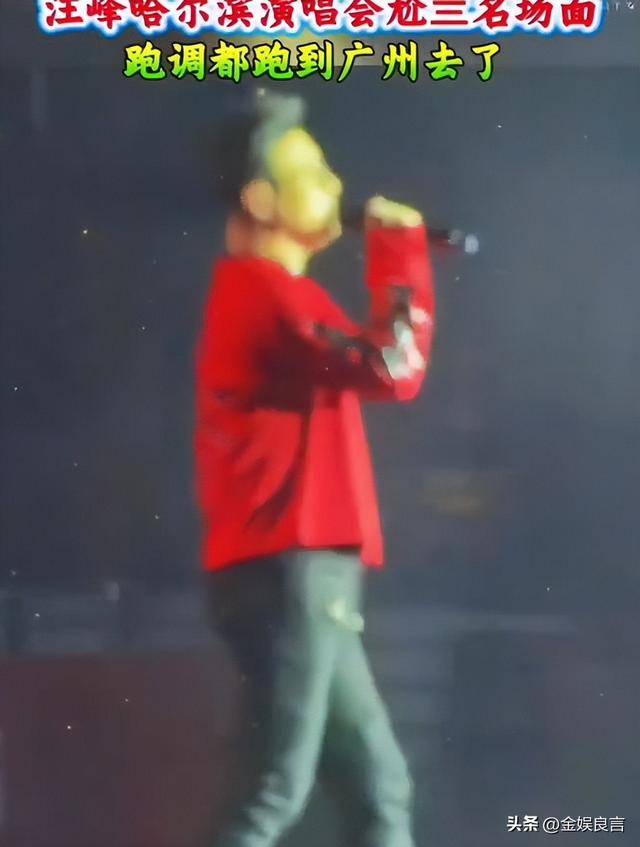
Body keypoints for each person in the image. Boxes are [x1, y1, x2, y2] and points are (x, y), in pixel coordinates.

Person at [194, 89, 436, 847]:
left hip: (302, 569)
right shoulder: (267, 294)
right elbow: (393, 367)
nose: (336, 186)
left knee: (377, 789)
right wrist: (399, 257)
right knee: (274, 791)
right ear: (261, 199)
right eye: (312, 173)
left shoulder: (274, 294)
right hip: (291, 568)